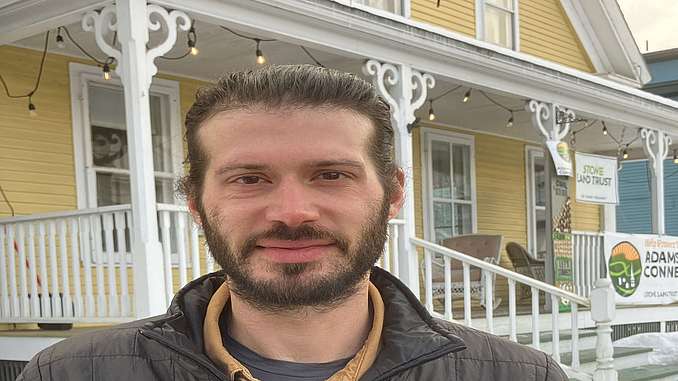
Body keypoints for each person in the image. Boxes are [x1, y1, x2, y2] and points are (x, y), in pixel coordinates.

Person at [19, 65, 567, 381]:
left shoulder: (518, 376)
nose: (291, 212)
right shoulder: (70, 375)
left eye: (331, 175)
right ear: (193, 198)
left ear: (394, 193)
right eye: (248, 179)